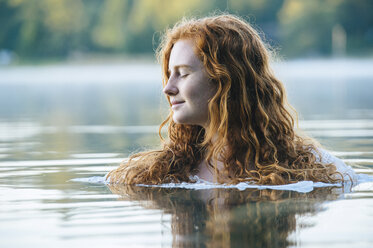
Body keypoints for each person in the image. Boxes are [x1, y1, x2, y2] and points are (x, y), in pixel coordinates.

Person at [107, 14, 356, 185]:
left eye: (182, 74)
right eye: (169, 75)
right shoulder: (160, 172)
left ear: (226, 80)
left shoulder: (311, 169)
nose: (168, 89)